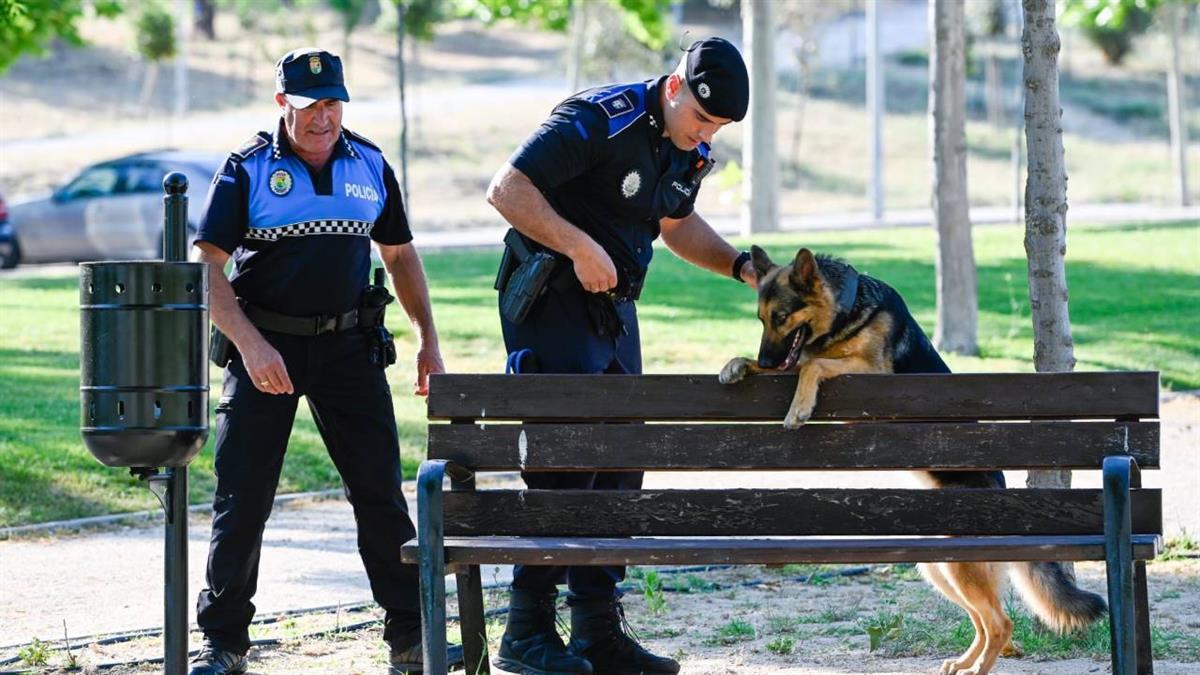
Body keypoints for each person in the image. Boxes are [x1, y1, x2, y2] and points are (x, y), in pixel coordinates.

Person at [486, 37, 756, 675]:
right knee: (565, 462)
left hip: (612, 310)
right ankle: (525, 630)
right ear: (672, 88)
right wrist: (579, 245)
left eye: (716, 128)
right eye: (700, 118)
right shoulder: (601, 118)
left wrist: (742, 267)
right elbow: (507, 189)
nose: (704, 136)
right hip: (551, 300)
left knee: (620, 461)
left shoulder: (686, 148)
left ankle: (596, 632)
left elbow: (677, 225)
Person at [188, 48, 459, 675]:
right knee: (243, 495)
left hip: (348, 350)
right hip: (267, 352)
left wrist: (429, 339)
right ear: (284, 104)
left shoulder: (370, 162)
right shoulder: (247, 169)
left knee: (379, 494)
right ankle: (224, 642)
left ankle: (411, 639)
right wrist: (252, 346)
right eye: (310, 107)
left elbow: (399, 254)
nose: (323, 118)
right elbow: (206, 270)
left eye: (333, 104)